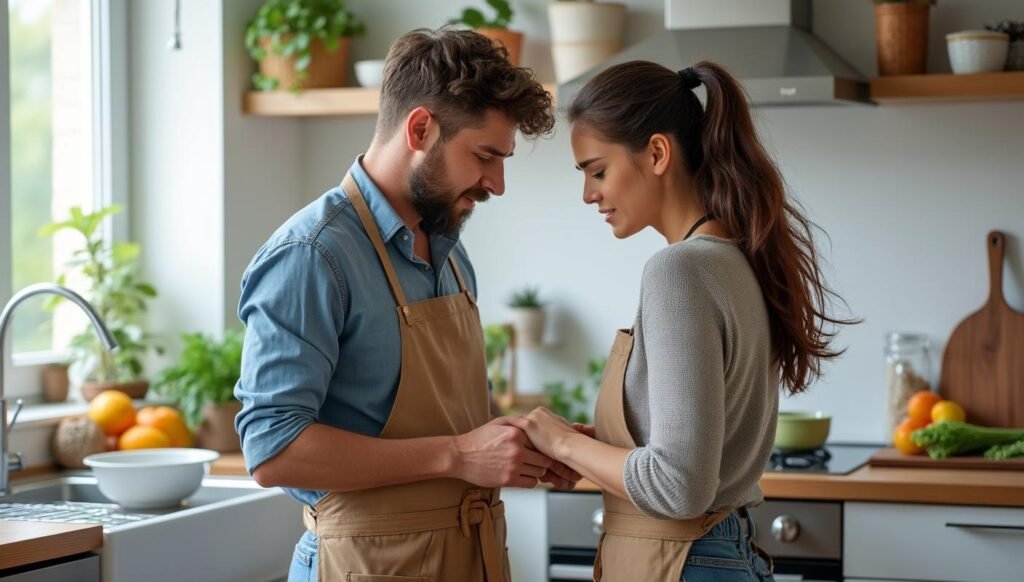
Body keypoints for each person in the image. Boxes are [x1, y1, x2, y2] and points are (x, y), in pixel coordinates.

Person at [234, 28, 577, 582]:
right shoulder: (312, 254)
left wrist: (524, 443)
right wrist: (458, 455)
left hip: (471, 559)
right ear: (420, 129)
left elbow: (446, 424)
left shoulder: (450, 251)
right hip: (366, 566)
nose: (497, 184)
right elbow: (273, 450)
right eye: (484, 156)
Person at [511, 60, 856, 582]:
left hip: (685, 561)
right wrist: (598, 448)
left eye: (597, 171)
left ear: (656, 153)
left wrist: (562, 442)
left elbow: (678, 486)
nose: (588, 194)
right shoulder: (734, 258)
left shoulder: (679, 270)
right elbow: (693, 453)